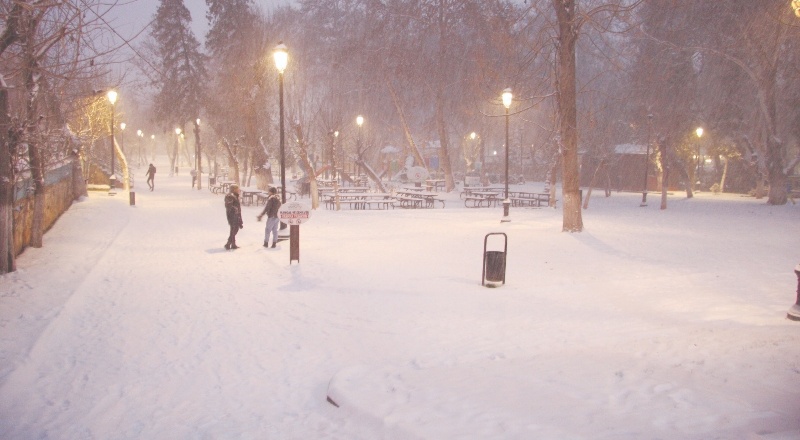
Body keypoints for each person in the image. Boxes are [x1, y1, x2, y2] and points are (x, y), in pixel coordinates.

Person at [224, 184, 243, 250]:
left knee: (235, 229)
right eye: (238, 189)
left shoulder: (235, 195)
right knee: (234, 229)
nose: (239, 190)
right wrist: (235, 209)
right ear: (234, 189)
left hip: (236, 215)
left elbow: (238, 207)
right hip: (232, 215)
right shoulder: (230, 196)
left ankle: (232, 244)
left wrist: (240, 217)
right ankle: (229, 243)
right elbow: (229, 206)